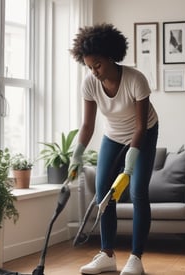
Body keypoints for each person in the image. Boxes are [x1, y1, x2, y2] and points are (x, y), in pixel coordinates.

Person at [69, 23, 159, 275]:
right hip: (113, 136)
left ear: (110, 56)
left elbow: (141, 126)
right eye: (89, 66)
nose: (94, 72)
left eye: (97, 64)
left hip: (144, 132)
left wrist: (130, 164)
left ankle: (136, 258)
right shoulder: (89, 84)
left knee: (138, 190)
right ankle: (107, 254)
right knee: (103, 193)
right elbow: (87, 125)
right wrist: (77, 156)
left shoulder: (135, 79)